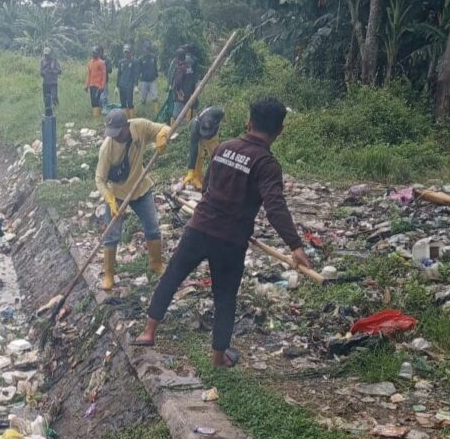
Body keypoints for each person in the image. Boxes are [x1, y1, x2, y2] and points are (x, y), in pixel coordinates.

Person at [132, 98, 311, 369]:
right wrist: (295, 246)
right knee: (225, 298)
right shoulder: (266, 163)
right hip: (230, 240)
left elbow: (207, 190)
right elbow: (275, 207)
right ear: (279, 131)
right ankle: (218, 357)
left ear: (248, 123)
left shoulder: (224, 148)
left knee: (172, 276)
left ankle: (148, 332)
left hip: (199, 226)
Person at [95, 109, 171, 291]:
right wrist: (110, 199)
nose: (115, 136)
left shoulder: (140, 127)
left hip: (141, 187)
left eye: (118, 132)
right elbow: (99, 179)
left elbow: (165, 128)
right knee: (111, 235)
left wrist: (162, 136)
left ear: (126, 126)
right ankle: (109, 275)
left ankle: (156, 263)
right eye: (111, 133)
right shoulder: (107, 148)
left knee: (152, 227)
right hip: (118, 194)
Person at [183, 106, 225, 190]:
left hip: (213, 135)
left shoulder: (218, 112)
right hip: (198, 134)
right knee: (199, 155)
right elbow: (193, 150)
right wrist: (190, 170)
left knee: (216, 154)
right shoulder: (195, 128)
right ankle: (196, 178)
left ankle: (220, 177)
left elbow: (224, 116)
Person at [171, 48, 196, 124]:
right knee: (185, 114)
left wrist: (180, 93)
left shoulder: (180, 68)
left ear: (177, 58)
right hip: (188, 95)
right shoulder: (189, 67)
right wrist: (192, 92)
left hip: (180, 96)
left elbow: (178, 82)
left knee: (176, 116)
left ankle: (175, 133)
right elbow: (193, 81)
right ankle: (184, 131)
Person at [116, 44, 140, 118]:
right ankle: (125, 118)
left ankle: (132, 118)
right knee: (123, 103)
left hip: (129, 85)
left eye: (128, 52)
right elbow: (119, 74)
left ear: (131, 52)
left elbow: (136, 74)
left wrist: (136, 85)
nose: (126, 53)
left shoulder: (134, 61)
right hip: (121, 84)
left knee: (130, 102)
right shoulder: (121, 62)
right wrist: (116, 86)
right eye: (125, 52)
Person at [85, 47, 107, 117]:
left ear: (98, 53)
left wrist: (102, 86)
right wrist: (86, 85)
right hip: (92, 84)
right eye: (93, 53)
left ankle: (98, 115)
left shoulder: (101, 62)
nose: (94, 54)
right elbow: (89, 74)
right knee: (93, 101)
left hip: (98, 85)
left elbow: (104, 75)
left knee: (97, 100)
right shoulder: (90, 63)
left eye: (95, 53)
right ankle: (96, 115)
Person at [138, 43, 159, 113]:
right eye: (146, 49)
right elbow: (138, 70)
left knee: (155, 97)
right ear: (144, 49)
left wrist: (156, 76)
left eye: (149, 49)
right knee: (143, 99)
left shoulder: (153, 57)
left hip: (152, 80)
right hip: (144, 81)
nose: (148, 50)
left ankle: (156, 111)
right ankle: (143, 111)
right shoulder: (140, 58)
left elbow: (155, 67)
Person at [40, 47, 62, 112]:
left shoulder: (54, 61)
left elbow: (59, 71)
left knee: (54, 97)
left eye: (47, 55)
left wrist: (53, 71)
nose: (46, 56)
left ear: (50, 54)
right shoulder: (42, 61)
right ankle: (47, 112)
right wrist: (43, 72)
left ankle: (56, 110)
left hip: (53, 82)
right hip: (45, 82)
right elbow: (41, 72)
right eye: (45, 55)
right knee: (46, 99)